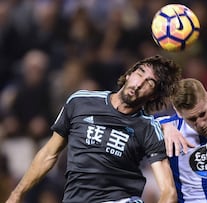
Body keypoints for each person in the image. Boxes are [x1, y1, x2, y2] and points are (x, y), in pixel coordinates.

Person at [6, 55, 181, 203]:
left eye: (149, 83)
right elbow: (49, 154)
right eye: (139, 74)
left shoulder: (148, 127)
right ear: (129, 75)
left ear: (154, 95)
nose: (138, 84)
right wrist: (17, 193)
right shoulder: (80, 102)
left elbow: (168, 192)